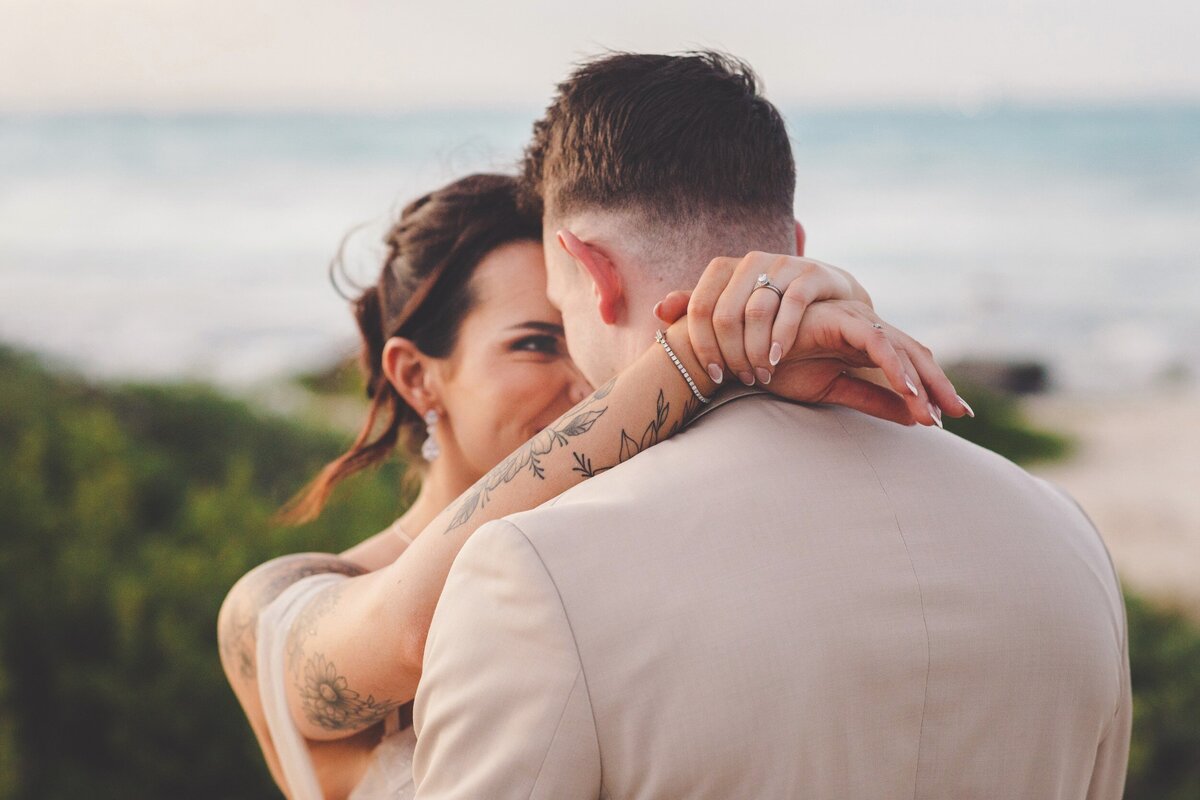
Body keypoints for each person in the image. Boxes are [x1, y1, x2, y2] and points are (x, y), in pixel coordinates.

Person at [405, 52, 1131, 798]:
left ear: (590, 271)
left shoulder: (537, 572)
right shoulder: (1062, 532)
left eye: (557, 313)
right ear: (797, 248)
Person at [218, 172, 957, 798]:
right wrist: (693, 358)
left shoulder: (641, 565)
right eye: (537, 344)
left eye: (583, 336)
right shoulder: (278, 603)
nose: (589, 381)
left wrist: (814, 337)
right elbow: (415, 630)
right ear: (417, 375)